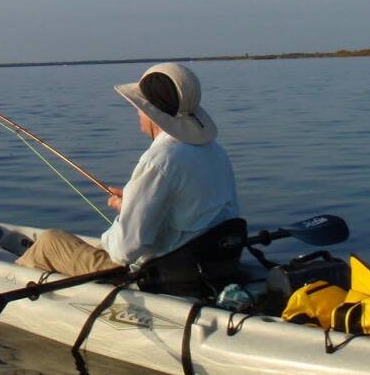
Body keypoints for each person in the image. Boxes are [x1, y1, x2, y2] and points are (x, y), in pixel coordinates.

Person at [15, 62, 242, 294]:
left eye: (139, 106)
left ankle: (9, 286)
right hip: (208, 265)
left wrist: (126, 212)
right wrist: (131, 203)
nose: (137, 112)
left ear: (151, 112)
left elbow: (124, 250)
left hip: (158, 276)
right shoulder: (214, 151)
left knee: (50, 242)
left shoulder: (159, 160)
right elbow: (193, 213)